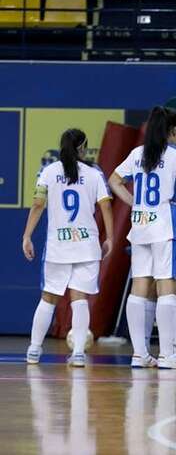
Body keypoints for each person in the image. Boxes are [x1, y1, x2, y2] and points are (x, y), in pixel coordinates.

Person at [109, 106, 176, 369]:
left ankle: (139, 354)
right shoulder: (175, 154)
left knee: (139, 286)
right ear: (173, 130)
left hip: (140, 224)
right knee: (166, 285)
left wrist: (133, 202)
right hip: (164, 225)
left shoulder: (138, 152)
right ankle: (167, 355)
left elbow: (114, 180)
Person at [23, 129, 114, 367]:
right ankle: (78, 355)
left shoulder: (48, 171)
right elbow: (106, 207)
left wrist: (27, 236)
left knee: (49, 297)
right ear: (82, 148)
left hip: (58, 246)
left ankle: (34, 350)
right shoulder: (94, 174)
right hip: (86, 244)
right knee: (79, 298)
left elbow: (37, 204)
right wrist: (111, 238)